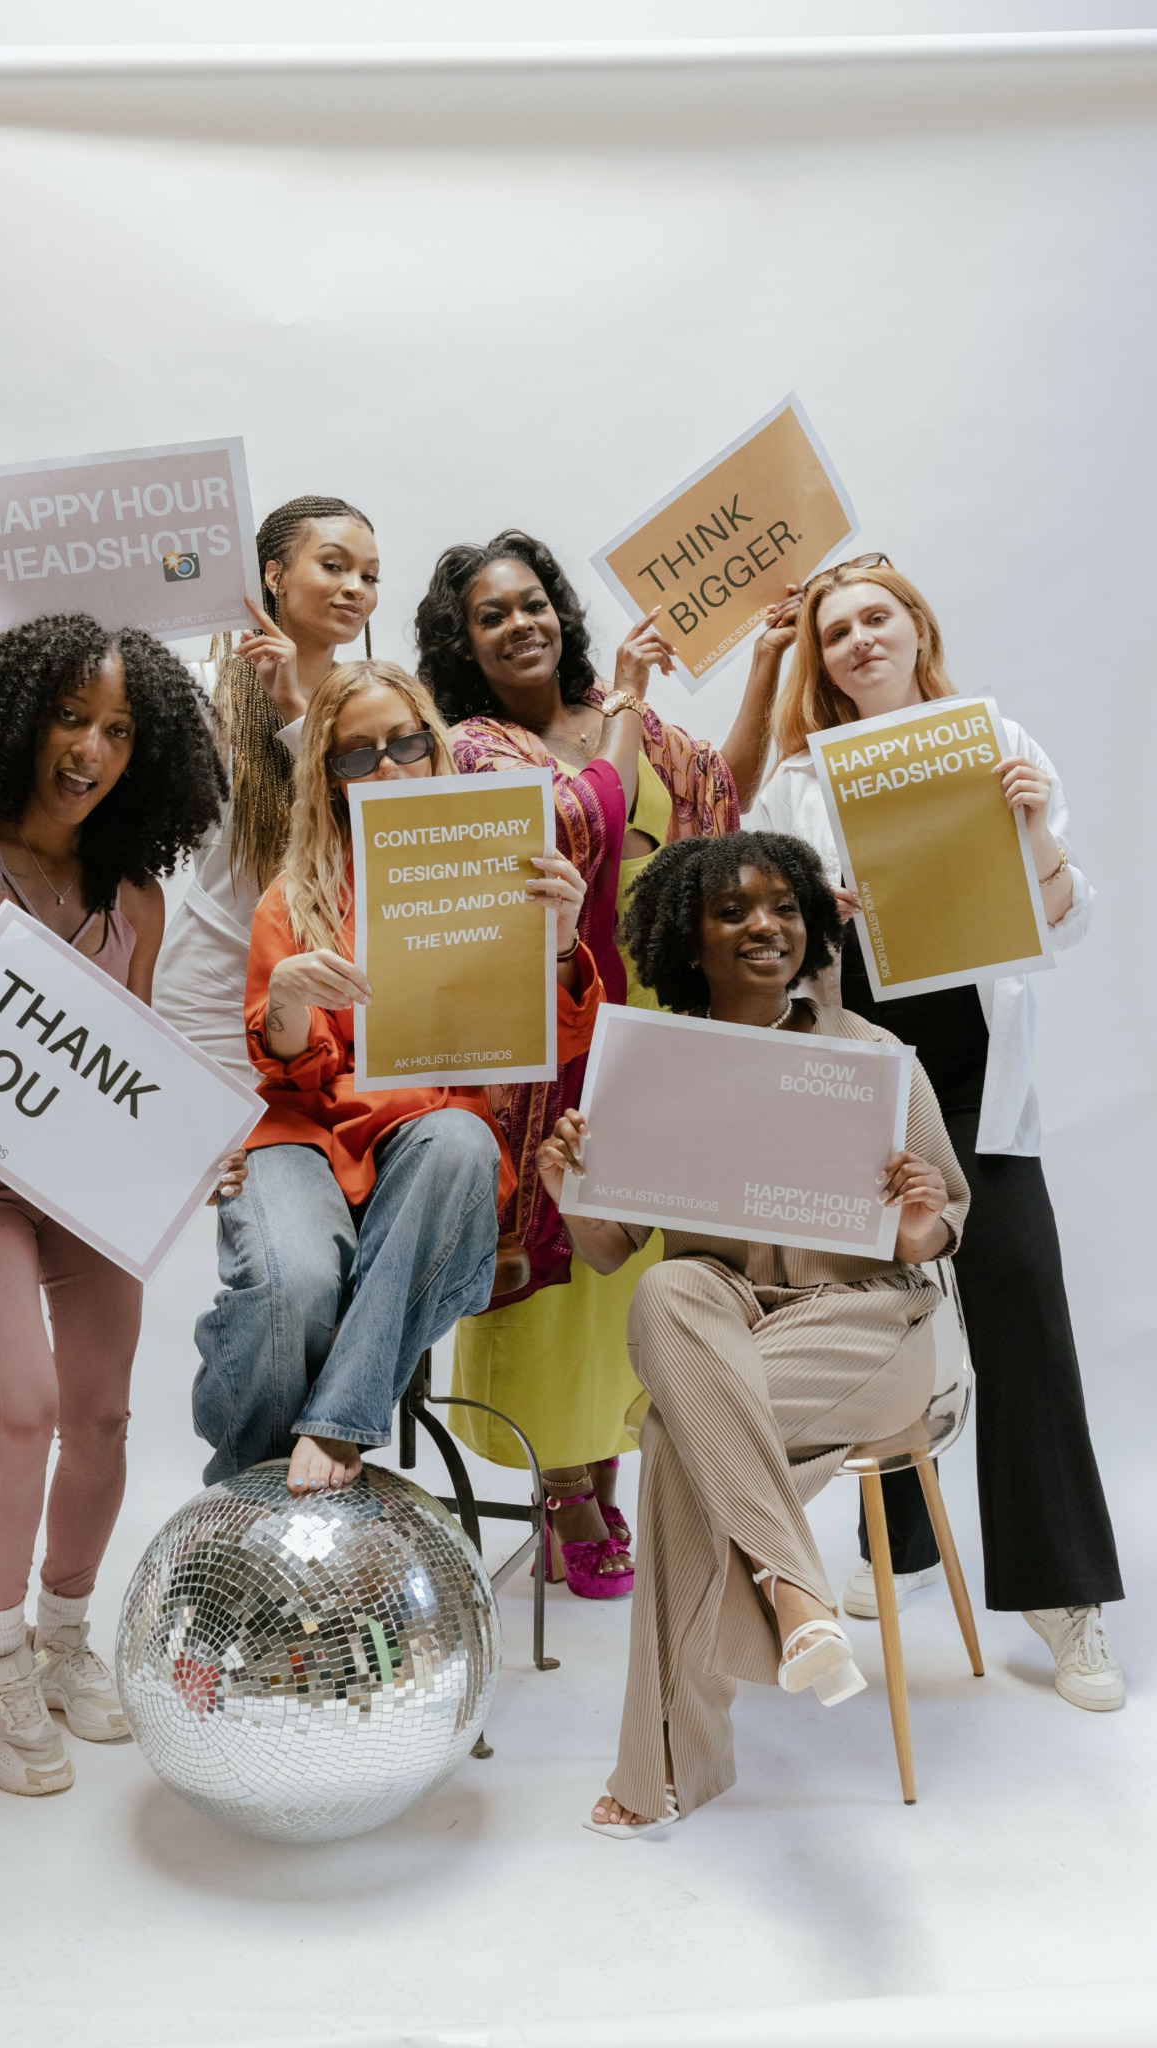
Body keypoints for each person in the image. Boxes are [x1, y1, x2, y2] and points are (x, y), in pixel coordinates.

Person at [534, 832, 970, 1832]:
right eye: (731, 911)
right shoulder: (652, 1067)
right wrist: (568, 1190)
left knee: (674, 1435)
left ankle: (665, 1765)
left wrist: (917, 1221)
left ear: (810, 922)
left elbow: (942, 1221)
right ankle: (795, 1593)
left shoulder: (869, 1055)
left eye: (782, 906)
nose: (763, 926)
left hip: (864, 1324)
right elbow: (610, 1250)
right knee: (668, 1287)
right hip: (721, 1325)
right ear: (690, 940)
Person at [754, 558, 1124, 1711]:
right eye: (836, 630)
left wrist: (1034, 832)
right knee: (885, 1308)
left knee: (1016, 1296)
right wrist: (812, 921)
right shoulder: (798, 784)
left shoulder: (994, 742)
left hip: (973, 1077)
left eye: (877, 617)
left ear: (916, 629)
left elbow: (1060, 919)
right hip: (863, 1078)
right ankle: (901, 1542)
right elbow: (764, 955)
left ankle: (1062, 1596)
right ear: (820, 662)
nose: (859, 639)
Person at [413, 531, 799, 1595]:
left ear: (560, 610)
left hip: (658, 1013)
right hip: (552, 1030)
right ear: (463, 643)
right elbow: (584, 819)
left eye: (532, 602)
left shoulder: (625, 714)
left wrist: (764, 668)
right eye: (491, 615)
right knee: (564, 1248)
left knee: (642, 1247)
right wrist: (627, 702)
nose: (519, 625)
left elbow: (719, 801)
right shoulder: (471, 747)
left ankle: (612, 1467)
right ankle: (565, 1490)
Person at [0, 614, 226, 1797]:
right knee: (21, 1411)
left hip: (86, 1187)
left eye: (119, 730)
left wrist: (195, 1143)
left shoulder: (136, 895)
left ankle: (65, 1632)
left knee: (105, 1416)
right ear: (19, 718)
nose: (91, 749)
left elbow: (130, 1067)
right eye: (71, 718)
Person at [192, 660, 603, 1497]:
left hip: (430, 1142)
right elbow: (287, 1068)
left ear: (433, 748)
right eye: (357, 755)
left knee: (460, 1143)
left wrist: (561, 940)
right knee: (294, 1287)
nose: (386, 768)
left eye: (404, 744)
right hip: (304, 1136)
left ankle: (337, 1427)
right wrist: (290, 998)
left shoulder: (499, 871)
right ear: (329, 777)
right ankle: (248, 1514)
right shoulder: (293, 897)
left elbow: (558, 1039)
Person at [0, 494, 380, 1080]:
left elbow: (379, 831)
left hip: (345, 992)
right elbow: (63, 740)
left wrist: (295, 711)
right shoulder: (201, 692)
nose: (355, 588)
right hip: (210, 995)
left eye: (369, 576)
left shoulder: (380, 704)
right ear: (274, 576)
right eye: (334, 565)